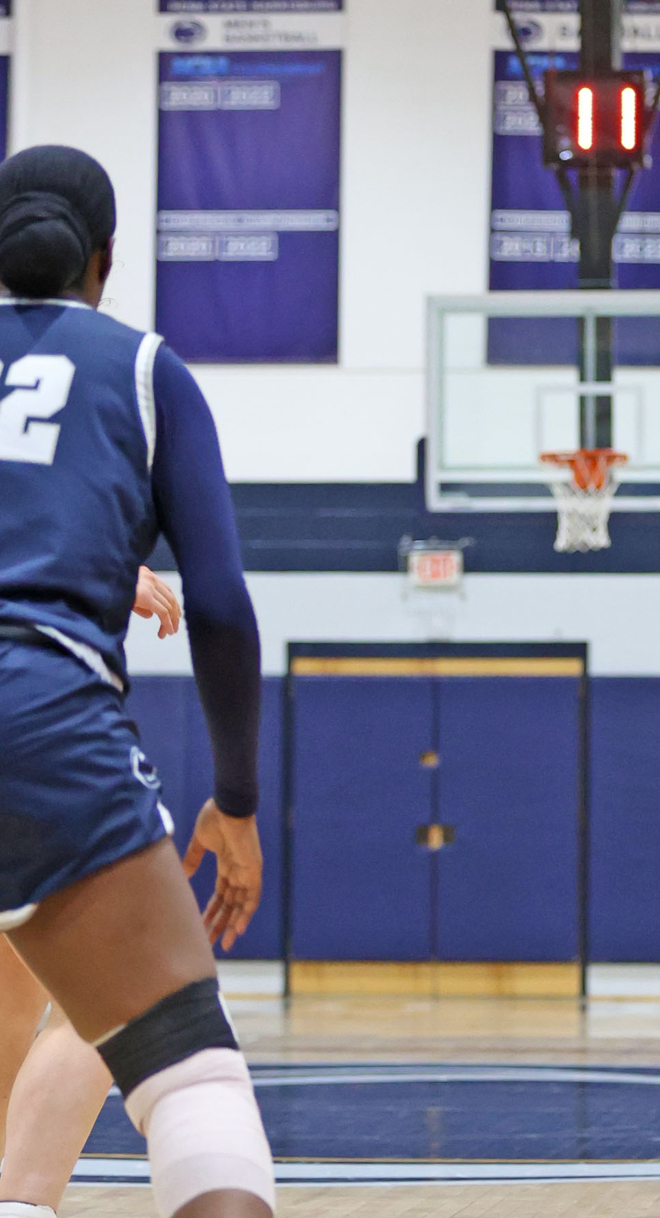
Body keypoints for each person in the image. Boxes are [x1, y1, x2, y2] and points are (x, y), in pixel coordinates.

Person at [0, 145, 274, 1218]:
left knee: (31, 996)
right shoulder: (143, 368)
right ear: (104, 259)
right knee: (186, 1070)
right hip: (42, 714)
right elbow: (222, 607)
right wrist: (237, 802)